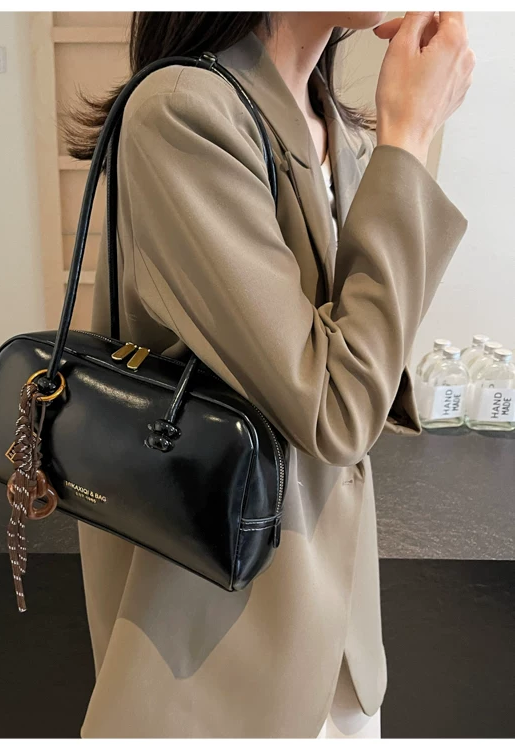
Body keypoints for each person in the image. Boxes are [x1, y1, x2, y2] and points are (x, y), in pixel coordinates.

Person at [64, 11, 473, 738]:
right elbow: (338, 409)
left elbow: (362, 373)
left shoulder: (328, 126)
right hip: (220, 667)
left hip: (338, 654)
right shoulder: (182, 112)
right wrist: (409, 136)